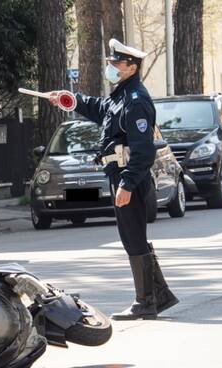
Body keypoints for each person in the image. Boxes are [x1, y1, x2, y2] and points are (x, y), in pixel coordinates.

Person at [48, 39, 178, 320]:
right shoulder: (120, 96)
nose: (111, 67)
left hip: (128, 176)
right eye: (110, 62)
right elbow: (98, 108)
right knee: (133, 237)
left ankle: (145, 301)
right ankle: (158, 296)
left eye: (116, 63)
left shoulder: (136, 100)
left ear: (131, 67)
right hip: (119, 175)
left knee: (133, 238)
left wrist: (127, 184)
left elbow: (144, 151)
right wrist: (68, 98)